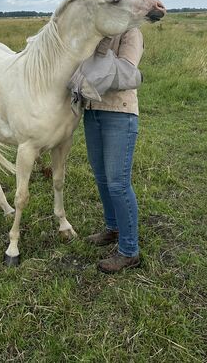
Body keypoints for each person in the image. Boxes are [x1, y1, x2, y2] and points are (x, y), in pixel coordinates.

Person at [69, 28, 144, 273]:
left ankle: (129, 251)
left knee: (118, 183)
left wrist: (96, 58)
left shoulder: (131, 33)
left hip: (119, 114)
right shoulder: (95, 33)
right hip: (92, 112)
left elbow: (125, 74)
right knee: (102, 178)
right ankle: (113, 228)